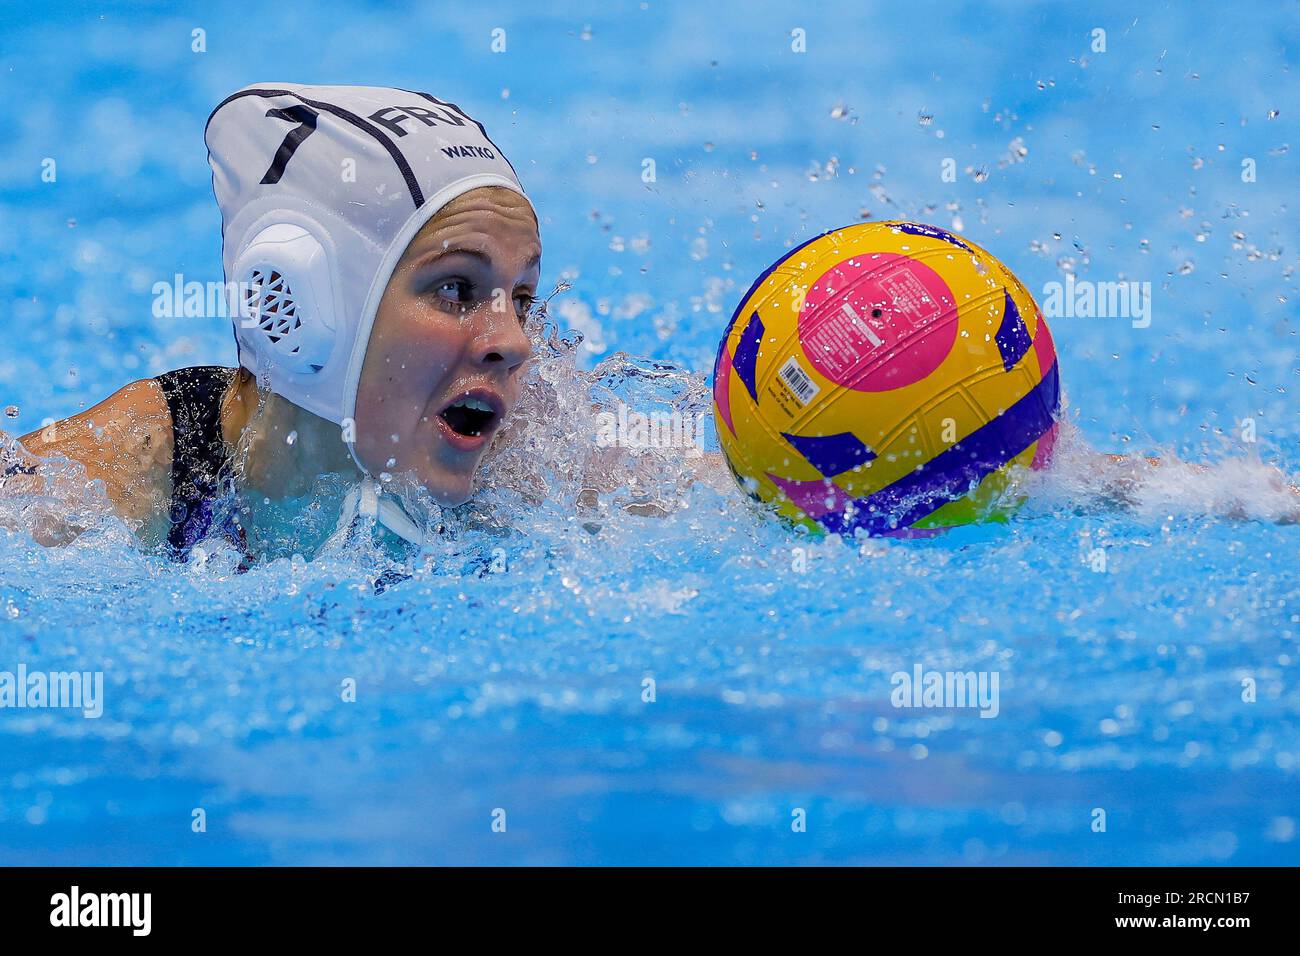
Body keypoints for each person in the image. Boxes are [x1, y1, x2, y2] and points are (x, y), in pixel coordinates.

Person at [2, 84, 542, 557]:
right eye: (455, 289)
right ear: (304, 301)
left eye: (520, 298)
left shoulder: (532, 466)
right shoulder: (117, 475)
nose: (514, 343)